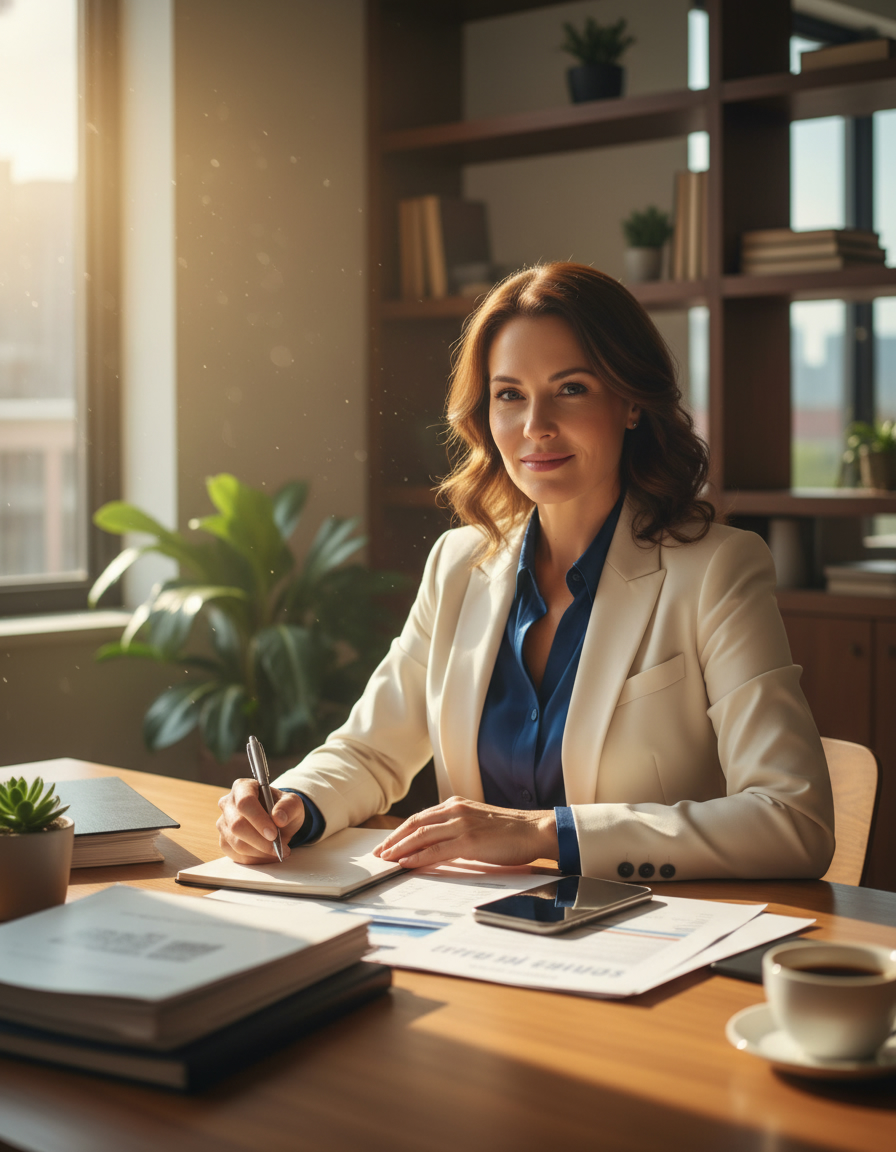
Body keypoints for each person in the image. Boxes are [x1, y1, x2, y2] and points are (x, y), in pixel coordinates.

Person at [217, 262, 834, 882]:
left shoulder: (717, 569)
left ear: (630, 403)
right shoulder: (458, 564)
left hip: (647, 922)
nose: (536, 426)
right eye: (509, 394)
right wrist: (292, 805)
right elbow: (371, 750)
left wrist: (542, 833)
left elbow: (793, 819)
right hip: (473, 922)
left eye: (572, 388)